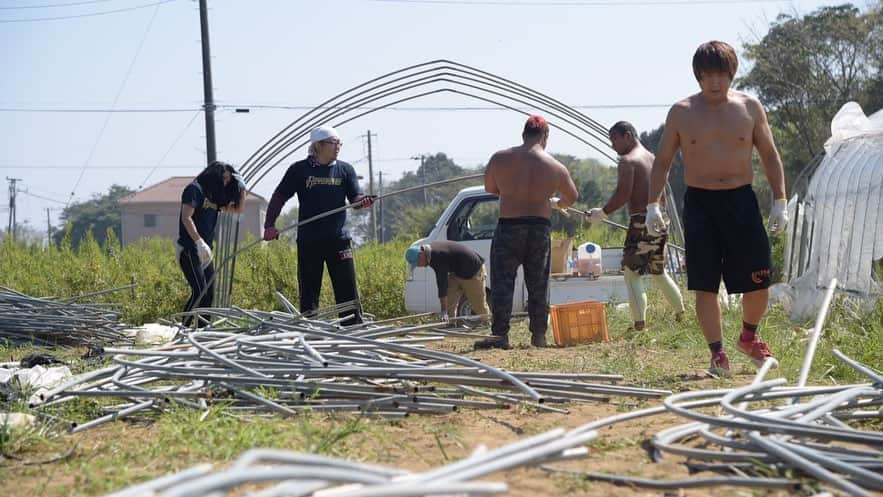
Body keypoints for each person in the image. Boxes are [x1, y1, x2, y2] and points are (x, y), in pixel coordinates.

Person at [646, 41, 788, 377]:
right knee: (706, 284)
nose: (714, 82)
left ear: (731, 74)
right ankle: (718, 354)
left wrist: (780, 200)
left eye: (720, 74)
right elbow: (662, 161)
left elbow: (769, 155)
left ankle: (749, 337)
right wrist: (653, 204)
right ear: (697, 76)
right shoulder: (681, 112)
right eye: (707, 75)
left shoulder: (750, 107)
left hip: (741, 201)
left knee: (759, 279)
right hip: (700, 204)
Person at [478, 115, 578, 350]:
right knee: (538, 285)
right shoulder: (555, 166)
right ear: (545, 136)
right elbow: (571, 197)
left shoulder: (500, 158)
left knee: (502, 284)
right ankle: (539, 336)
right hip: (538, 229)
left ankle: (500, 335)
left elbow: (491, 188)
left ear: (523, 134)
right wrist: (555, 202)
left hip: (509, 226)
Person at [262, 125, 373, 325]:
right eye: (333, 143)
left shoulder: (345, 169)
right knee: (309, 290)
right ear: (318, 145)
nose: (338, 147)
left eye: (339, 143)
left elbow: (355, 198)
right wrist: (269, 224)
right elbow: (279, 197)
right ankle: (310, 330)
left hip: (339, 240)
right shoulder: (299, 170)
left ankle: (353, 329)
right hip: (309, 240)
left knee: (347, 287)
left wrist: (362, 201)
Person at [587, 121, 685, 331]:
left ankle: (639, 326)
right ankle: (681, 315)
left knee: (632, 273)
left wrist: (602, 213)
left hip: (642, 221)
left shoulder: (628, 161)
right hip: (661, 219)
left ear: (629, 135)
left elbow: (623, 193)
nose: (612, 145)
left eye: (614, 139)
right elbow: (664, 193)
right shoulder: (653, 159)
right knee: (659, 271)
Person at [177, 160, 246, 326]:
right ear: (215, 176)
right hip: (189, 249)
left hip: (206, 251)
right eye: (224, 178)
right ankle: (183, 328)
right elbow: (186, 218)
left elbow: (237, 209)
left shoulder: (213, 195)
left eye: (229, 180)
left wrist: (242, 188)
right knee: (199, 291)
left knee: (209, 293)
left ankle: (202, 330)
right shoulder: (194, 189)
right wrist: (198, 241)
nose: (226, 182)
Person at [405, 240, 490, 324]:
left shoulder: (437, 255)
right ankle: (450, 323)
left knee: (478, 304)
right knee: (450, 298)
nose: (419, 266)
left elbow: (442, 283)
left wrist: (443, 310)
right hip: (457, 272)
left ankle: (487, 323)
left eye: (418, 263)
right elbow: (442, 283)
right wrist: (444, 309)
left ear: (421, 255)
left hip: (473, 271)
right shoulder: (430, 253)